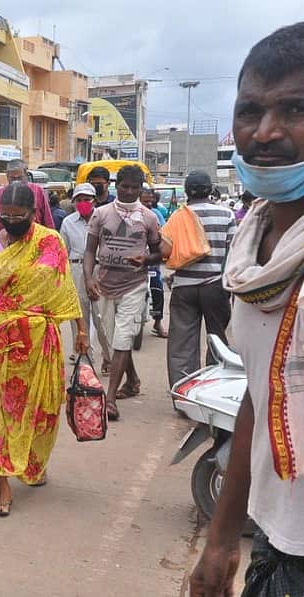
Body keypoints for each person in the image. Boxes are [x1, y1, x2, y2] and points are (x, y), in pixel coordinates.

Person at [190, 22, 304, 597]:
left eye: (295, 109)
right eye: (250, 111)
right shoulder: (251, 245)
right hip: (276, 536)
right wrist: (221, 539)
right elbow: (260, 395)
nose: (266, 132)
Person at [0, 183, 88, 516]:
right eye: (5, 216)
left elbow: (64, 290)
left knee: (44, 408)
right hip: (3, 341)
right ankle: (4, 484)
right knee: (0, 411)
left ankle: (32, 463)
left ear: (33, 213)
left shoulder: (50, 242)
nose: (11, 221)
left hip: (42, 343)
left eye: (18, 216)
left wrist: (81, 331)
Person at [83, 165, 162, 421]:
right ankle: (133, 379)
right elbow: (89, 251)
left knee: (123, 337)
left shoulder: (149, 218)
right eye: (125, 186)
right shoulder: (101, 214)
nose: (129, 191)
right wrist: (88, 278)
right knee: (111, 338)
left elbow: (160, 252)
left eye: (134, 187)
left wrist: (146, 259)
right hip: (104, 283)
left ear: (141, 189)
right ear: (117, 186)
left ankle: (111, 399)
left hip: (134, 285)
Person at [165, 171, 236, 387]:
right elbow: (233, 254)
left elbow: (168, 251)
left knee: (181, 344)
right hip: (216, 286)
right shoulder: (227, 215)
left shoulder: (178, 216)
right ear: (211, 190)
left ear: (186, 192)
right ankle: (213, 388)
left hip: (184, 287)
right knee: (217, 339)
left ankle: (183, 391)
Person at [60, 183, 103, 362]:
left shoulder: (103, 218)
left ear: (94, 201)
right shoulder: (68, 222)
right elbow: (63, 251)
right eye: (79, 200)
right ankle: (84, 360)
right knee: (79, 317)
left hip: (99, 269)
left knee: (102, 318)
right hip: (76, 269)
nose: (83, 203)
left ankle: (109, 357)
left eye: (87, 199)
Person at [0, 159, 55, 235]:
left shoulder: (38, 191)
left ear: (26, 174)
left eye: (19, 178)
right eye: (13, 178)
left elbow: (48, 221)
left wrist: (50, 239)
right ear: (7, 176)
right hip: (8, 242)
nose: (16, 182)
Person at [140, 185, 167, 338]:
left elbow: (164, 232)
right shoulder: (131, 214)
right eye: (145, 202)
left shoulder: (156, 214)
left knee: (157, 286)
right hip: (132, 261)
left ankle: (157, 322)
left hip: (151, 260)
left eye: (151, 202)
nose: (149, 205)